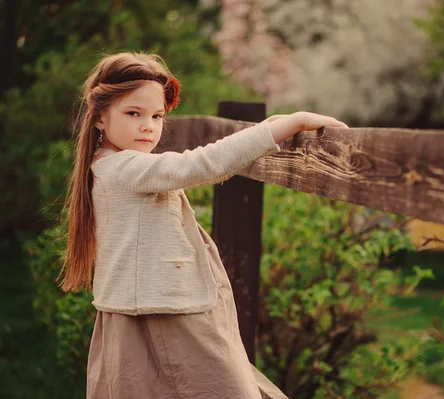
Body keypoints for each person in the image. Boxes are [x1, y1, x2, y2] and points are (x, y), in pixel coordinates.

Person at [59, 52, 348, 399]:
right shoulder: (123, 169)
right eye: (133, 113)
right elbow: (202, 164)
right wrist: (287, 125)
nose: (148, 125)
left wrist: (273, 123)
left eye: (157, 115)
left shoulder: (114, 165)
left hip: (159, 308)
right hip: (166, 315)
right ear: (100, 117)